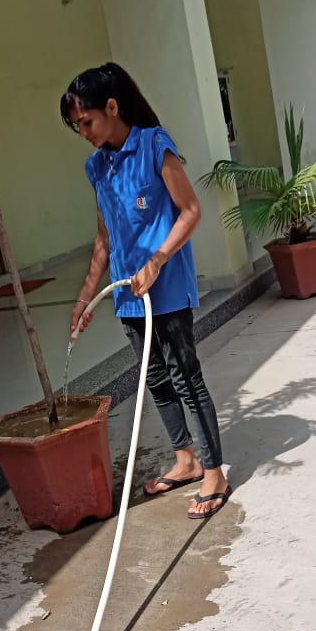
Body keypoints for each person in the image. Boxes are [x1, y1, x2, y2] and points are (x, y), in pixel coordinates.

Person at [60, 62, 231, 520]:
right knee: (153, 378)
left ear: (112, 108)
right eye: (77, 127)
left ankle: (214, 472)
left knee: (185, 377)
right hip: (127, 296)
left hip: (167, 290)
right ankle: (186, 460)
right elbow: (104, 239)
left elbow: (190, 212)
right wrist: (84, 300)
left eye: (87, 122)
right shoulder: (96, 167)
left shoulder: (155, 146)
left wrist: (157, 261)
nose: (84, 132)